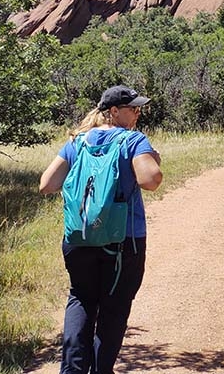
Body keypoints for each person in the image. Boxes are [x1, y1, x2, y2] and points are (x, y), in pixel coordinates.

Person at [39, 85, 163, 374]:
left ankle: (71, 370)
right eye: (133, 108)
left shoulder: (78, 142)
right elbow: (152, 180)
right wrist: (151, 158)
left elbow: (47, 184)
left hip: (80, 237)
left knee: (81, 297)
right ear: (114, 112)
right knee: (114, 308)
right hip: (123, 242)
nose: (138, 113)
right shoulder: (132, 141)